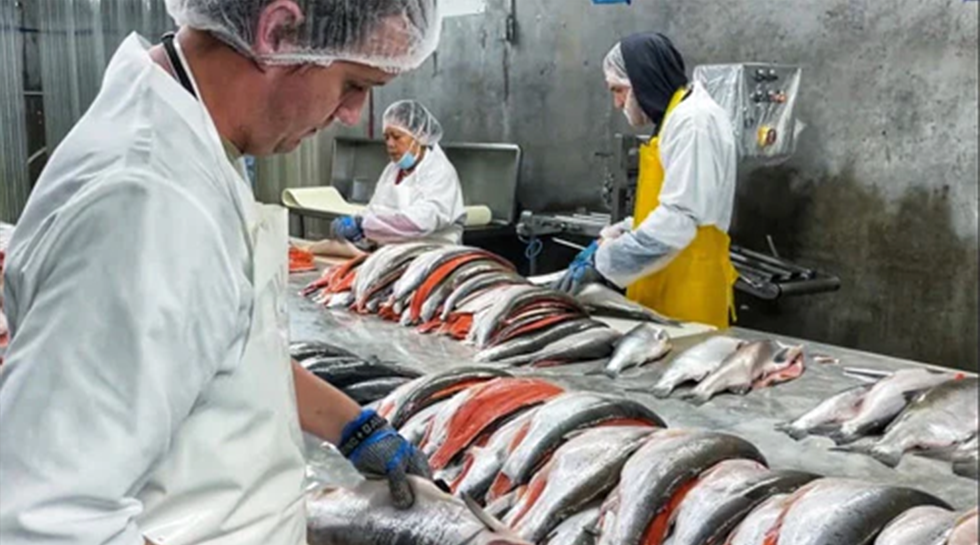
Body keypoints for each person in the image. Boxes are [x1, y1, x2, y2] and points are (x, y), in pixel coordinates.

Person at [0, 1, 439, 544]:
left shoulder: (189, 135)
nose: (352, 113)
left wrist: (350, 424)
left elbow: (219, 347)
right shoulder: (149, 206)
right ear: (278, 32)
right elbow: (49, 519)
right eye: (354, 82)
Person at [555, 32, 738, 329]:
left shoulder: (694, 123)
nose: (617, 103)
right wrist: (625, 230)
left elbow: (680, 219)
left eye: (619, 91)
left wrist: (605, 264)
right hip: (664, 277)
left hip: (688, 288)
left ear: (643, 81)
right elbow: (677, 204)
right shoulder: (675, 119)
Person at [330, 100, 466, 245]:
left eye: (396, 137)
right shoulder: (392, 170)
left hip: (432, 254)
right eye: (386, 137)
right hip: (394, 253)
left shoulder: (439, 171)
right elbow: (376, 208)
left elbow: (421, 221)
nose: (390, 144)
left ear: (420, 136)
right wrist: (357, 219)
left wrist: (364, 225)